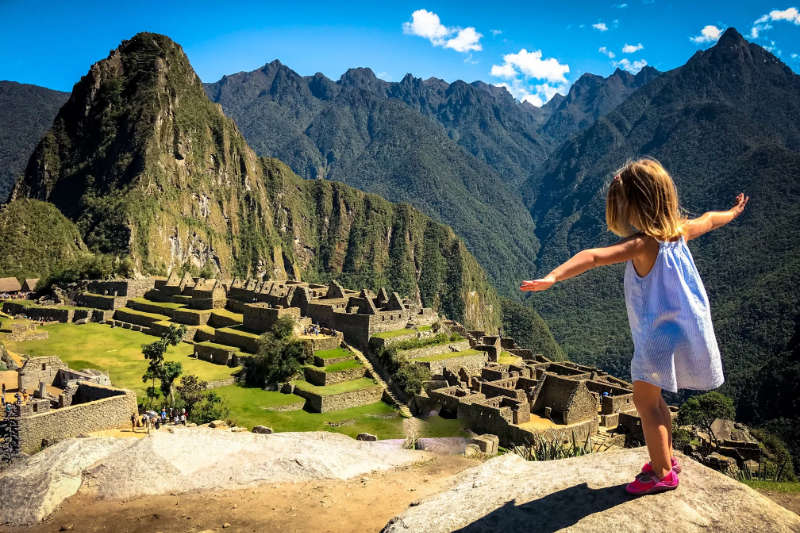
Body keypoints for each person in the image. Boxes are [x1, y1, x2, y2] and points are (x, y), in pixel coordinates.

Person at [521, 158, 748, 496]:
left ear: (635, 206)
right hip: (687, 326)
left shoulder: (644, 244)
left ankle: (662, 473)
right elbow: (709, 220)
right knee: (658, 403)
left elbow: (593, 255)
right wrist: (731, 213)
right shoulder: (680, 232)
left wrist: (553, 276)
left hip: (658, 336)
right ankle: (667, 459)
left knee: (645, 404)